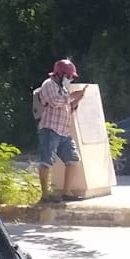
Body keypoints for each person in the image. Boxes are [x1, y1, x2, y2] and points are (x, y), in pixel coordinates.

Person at [32, 59, 86, 203]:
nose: (70, 79)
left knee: (73, 159)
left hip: (63, 131)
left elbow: (68, 108)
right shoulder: (48, 84)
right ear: (61, 74)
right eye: (69, 76)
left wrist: (76, 101)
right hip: (50, 129)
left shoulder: (63, 89)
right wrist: (73, 96)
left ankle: (66, 192)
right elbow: (55, 102)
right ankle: (45, 195)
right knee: (46, 161)